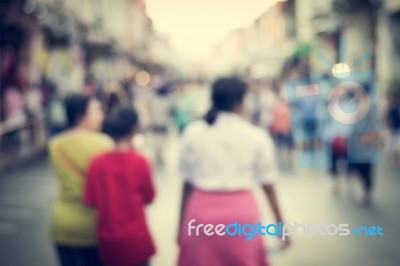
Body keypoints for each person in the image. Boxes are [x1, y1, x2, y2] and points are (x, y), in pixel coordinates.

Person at [178, 77, 289, 266]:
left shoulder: (193, 132)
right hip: (241, 217)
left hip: (201, 215)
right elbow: (268, 186)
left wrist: (181, 228)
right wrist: (281, 229)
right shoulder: (256, 136)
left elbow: (187, 184)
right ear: (240, 101)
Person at [84, 107, 156, 266]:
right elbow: (150, 197)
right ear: (135, 129)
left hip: (108, 241)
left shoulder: (97, 162)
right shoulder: (141, 161)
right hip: (137, 239)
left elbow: (90, 200)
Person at [48, 94, 114, 266]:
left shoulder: (55, 144)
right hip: (94, 226)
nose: (102, 115)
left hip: (63, 225)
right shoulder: (105, 144)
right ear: (80, 117)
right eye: (96, 111)